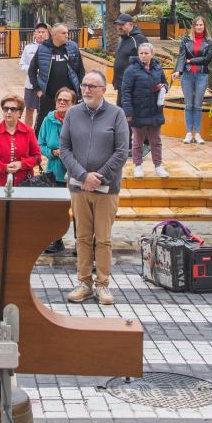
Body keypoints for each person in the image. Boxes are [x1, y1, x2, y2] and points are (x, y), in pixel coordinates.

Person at [61, 71, 129, 305]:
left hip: (105, 188)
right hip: (79, 188)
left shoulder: (116, 114)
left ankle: (102, 285)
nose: (87, 89)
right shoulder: (72, 114)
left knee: (103, 239)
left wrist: (97, 178)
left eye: (92, 86)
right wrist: (82, 175)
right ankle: (84, 283)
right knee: (82, 237)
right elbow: (65, 148)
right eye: (84, 85)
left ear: (104, 89)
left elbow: (122, 151)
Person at [36, 88, 78, 254]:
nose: (61, 103)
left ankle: (79, 242)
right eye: (59, 99)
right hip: (55, 170)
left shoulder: (78, 119)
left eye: (66, 101)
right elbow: (41, 144)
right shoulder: (49, 120)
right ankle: (56, 240)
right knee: (56, 210)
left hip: (76, 171)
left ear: (73, 104)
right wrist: (52, 153)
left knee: (78, 210)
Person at [119, 43, 170, 178]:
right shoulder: (131, 70)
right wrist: (128, 112)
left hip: (155, 111)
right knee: (137, 141)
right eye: (141, 53)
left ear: (151, 54)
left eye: (146, 53)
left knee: (156, 141)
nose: (143, 55)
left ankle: (158, 166)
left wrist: (162, 87)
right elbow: (125, 92)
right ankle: (138, 165)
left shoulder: (158, 68)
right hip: (138, 111)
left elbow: (166, 84)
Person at [0, 94, 42, 188]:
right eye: (5, 108)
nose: (8, 112)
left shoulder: (28, 131)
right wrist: (3, 167)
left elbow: (37, 157)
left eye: (12, 109)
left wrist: (21, 164)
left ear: (19, 113)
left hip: (24, 183)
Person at [30, 24, 85, 125]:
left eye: (67, 33)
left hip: (70, 96)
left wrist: (81, 88)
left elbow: (80, 69)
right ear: (55, 35)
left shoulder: (72, 47)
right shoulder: (43, 48)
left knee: (73, 123)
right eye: (63, 33)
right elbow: (32, 70)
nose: (67, 35)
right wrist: (37, 89)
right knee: (43, 123)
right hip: (49, 96)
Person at [178, 17, 212, 144]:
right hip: (187, 75)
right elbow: (182, 56)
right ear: (193, 26)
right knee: (188, 105)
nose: (199, 27)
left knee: (198, 105)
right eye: (197, 25)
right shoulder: (186, 39)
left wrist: (191, 61)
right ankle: (188, 133)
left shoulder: (209, 41)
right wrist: (178, 70)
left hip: (202, 75)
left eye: (201, 25)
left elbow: (207, 59)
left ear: (204, 27)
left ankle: (197, 133)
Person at [110, 12, 148, 100]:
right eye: (118, 24)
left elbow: (147, 61)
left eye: (122, 24)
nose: (119, 27)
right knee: (121, 112)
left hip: (132, 86)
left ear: (131, 24)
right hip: (122, 85)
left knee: (128, 112)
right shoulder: (124, 38)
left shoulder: (138, 38)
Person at [20, 22, 49, 128]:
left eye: (43, 32)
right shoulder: (28, 48)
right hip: (31, 85)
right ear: (34, 34)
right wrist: (32, 70)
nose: (40, 34)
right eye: (38, 32)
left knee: (43, 111)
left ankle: (40, 134)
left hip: (46, 85)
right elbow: (22, 64)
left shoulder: (51, 48)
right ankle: (27, 132)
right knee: (29, 109)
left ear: (47, 34)